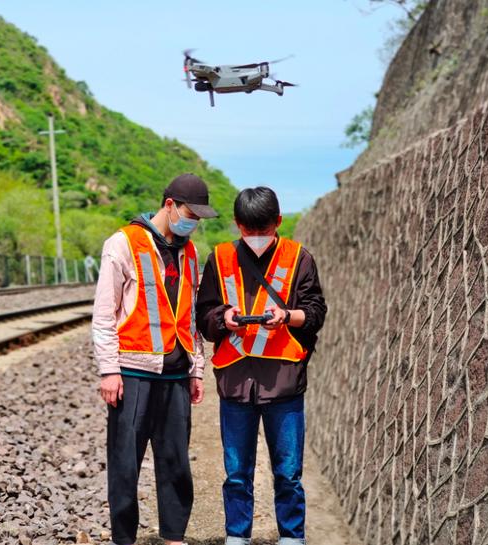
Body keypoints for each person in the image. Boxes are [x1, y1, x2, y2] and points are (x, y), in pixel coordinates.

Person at [92, 173, 218, 545]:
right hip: (133, 372)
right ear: (169, 205)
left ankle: (173, 538)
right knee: (125, 464)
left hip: (176, 376)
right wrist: (109, 370)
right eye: (189, 214)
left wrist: (197, 369)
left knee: (176, 464)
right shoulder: (123, 242)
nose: (193, 222)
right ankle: (124, 539)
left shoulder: (191, 251)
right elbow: (104, 313)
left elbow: (191, 317)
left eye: (198, 217)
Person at [197, 187, 327, 545]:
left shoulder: (299, 258)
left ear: (278, 223)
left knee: (288, 473)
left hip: (283, 384)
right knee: (237, 473)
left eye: (263, 229)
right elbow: (204, 318)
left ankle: (291, 537)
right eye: (248, 230)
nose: (255, 237)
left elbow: (316, 313)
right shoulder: (219, 258)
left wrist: (287, 316)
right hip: (236, 384)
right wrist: (225, 318)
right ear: (238, 225)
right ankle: (237, 536)